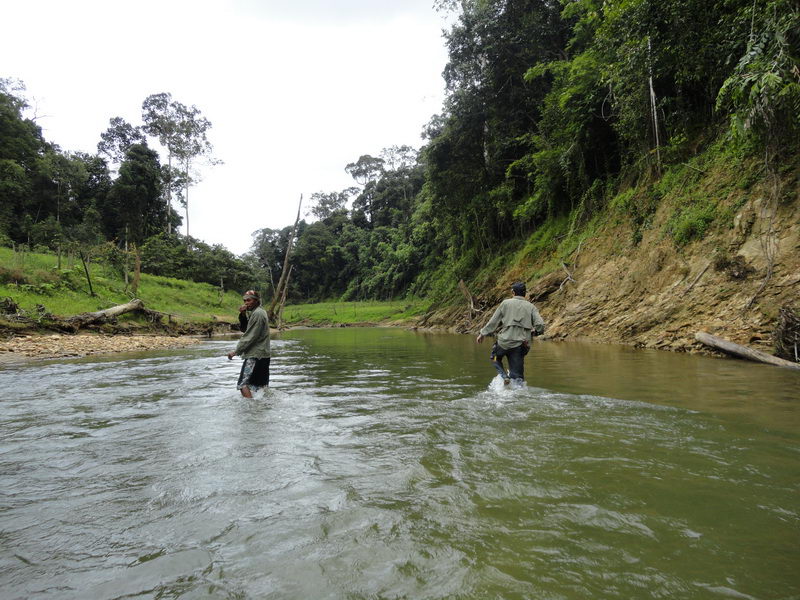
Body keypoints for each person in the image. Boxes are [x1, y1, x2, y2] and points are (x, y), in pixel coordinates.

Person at [476, 281, 545, 385]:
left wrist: (482, 333)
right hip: (520, 345)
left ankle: (504, 376)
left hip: (504, 342)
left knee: (495, 358)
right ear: (525, 293)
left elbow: (493, 321)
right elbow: (540, 325)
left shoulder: (505, 303)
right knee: (518, 379)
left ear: (513, 292)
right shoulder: (531, 307)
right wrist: (536, 332)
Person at [227, 290, 270, 397]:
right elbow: (246, 329)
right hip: (262, 354)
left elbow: (250, 335)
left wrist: (236, 351)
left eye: (249, 300)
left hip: (255, 355)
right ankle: (259, 410)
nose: (246, 303)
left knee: (242, 385)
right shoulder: (257, 312)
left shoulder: (258, 314)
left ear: (256, 301)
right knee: (259, 387)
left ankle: (249, 412)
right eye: (245, 301)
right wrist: (242, 315)